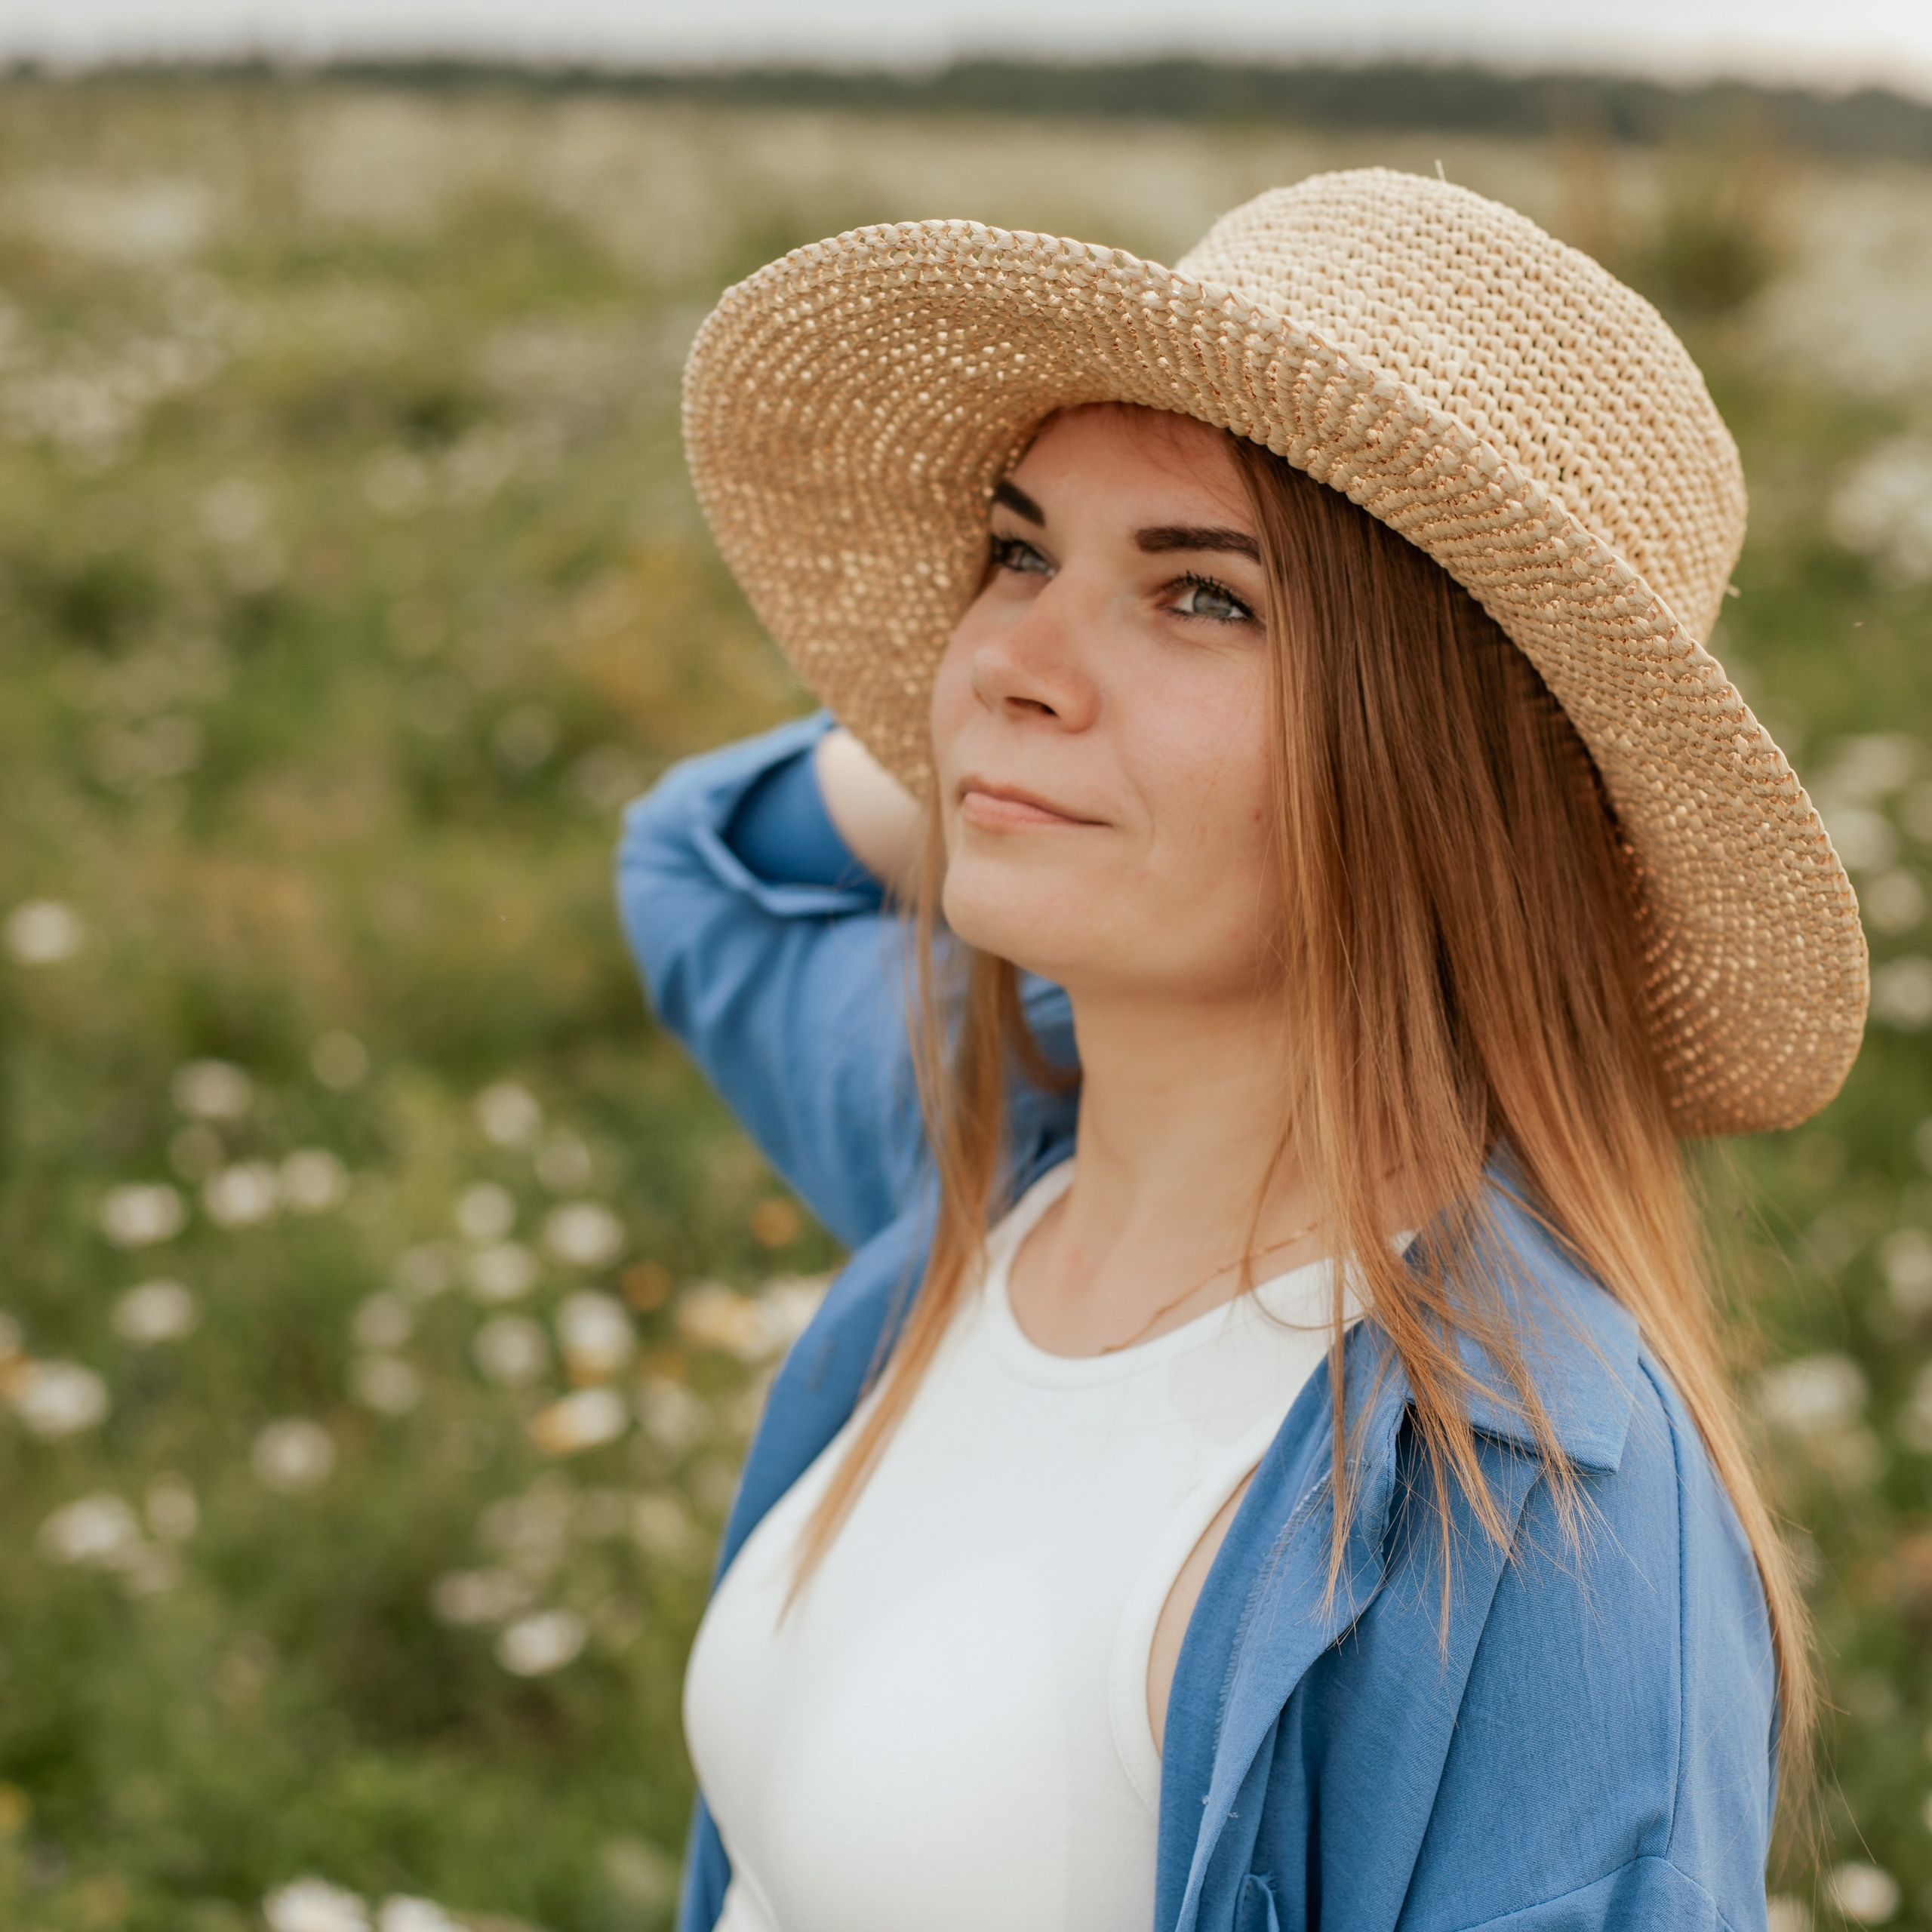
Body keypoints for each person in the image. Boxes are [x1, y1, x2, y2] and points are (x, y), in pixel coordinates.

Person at [619, 169, 1869, 1932]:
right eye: (1016, 549)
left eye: (1202, 596)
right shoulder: (995, 1163)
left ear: (1447, 770)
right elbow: (690, 864)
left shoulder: (1533, 1517)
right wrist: (1001, 754)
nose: (1007, 661)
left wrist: (1034, 763)